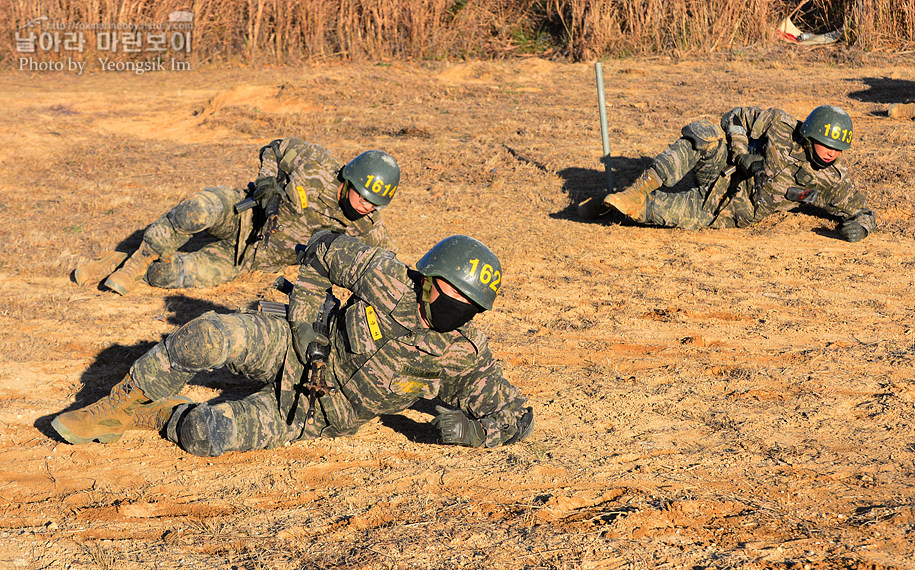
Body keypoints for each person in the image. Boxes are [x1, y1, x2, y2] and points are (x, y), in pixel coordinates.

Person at [52, 232, 534, 456]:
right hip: (295, 347)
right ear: (428, 277)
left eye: (466, 302)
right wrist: (304, 320)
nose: (454, 304)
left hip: (312, 414)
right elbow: (324, 248)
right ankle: (114, 405)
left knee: (203, 434)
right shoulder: (385, 275)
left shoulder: (464, 357)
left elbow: (518, 417)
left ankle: (154, 414)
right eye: (448, 288)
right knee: (208, 335)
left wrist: (472, 434)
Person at [73, 139, 400, 294]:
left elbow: (388, 266)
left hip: (245, 258)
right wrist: (267, 183)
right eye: (362, 196)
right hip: (244, 215)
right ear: (348, 180)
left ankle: (115, 262)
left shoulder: (367, 227)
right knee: (198, 209)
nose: (366, 206)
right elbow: (273, 149)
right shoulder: (316, 161)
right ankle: (137, 260)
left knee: (167, 277)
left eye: (374, 203)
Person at [579, 105, 875, 242]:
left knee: (646, 213)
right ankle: (637, 188)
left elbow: (864, 212)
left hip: (720, 212)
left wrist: (859, 228)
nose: (831, 153)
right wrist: (741, 152)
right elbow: (734, 117)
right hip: (720, 169)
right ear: (809, 135)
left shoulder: (833, 180)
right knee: (705, 133)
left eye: (838, 148)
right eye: (825, 144)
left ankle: (610, 205)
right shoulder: (779, 124)